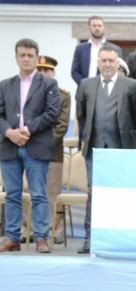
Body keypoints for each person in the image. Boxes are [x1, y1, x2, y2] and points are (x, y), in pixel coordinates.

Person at [75, 45, 136, 254]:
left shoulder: (130, 85)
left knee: (122, 195)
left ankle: (120, 239)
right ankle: (89, 239)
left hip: (122, 150)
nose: (107, 64)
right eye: (103, 60)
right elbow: (81, 115)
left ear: (118, 62)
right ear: (98, 62)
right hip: (95, 151)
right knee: (94, 194)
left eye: (111, 61)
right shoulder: (86, 85)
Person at [0, 38, 60, 253]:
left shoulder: (49, 84)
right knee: (13, 194)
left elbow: (52, 113)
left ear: (37, 58)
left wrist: (26, 131)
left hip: (36, 146)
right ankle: (12, 237)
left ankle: (41, 237)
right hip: (9, 146)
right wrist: (9, 132)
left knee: (39, 194)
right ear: (16, 57)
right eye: (22, 55)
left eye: (30, 55)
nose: (26, 59)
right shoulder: (5, 85)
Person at [21, 55, 70, 245]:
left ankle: (52, 231)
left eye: (46, 70)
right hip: (26, 150)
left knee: (51, 192)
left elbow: (61, 126)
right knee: (27, 190)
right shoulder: (25, 93)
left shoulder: (63, 95)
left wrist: (40, 142)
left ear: (53, 73)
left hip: (51, 152)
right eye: (39, 70)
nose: (42, 73)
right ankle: (27, 229)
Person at [71, 15, 122, 87]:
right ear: (89, 28)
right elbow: (74, 72)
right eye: (94, 26)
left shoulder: (115, 49)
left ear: (103, 27)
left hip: (107, 90)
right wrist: (84, 85)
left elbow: (119, 71)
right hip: (85, 90)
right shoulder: (80, 49)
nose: (97, 28)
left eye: (99, 26)